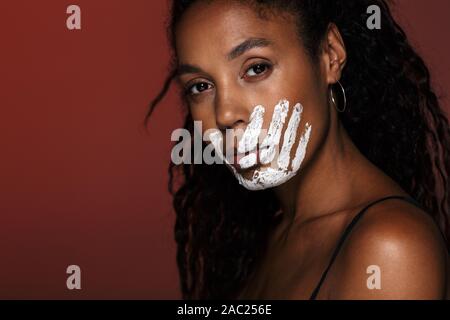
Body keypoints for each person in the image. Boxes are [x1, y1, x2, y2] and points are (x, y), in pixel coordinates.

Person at [145, 0, 450, 299]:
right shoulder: (267, 235)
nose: (224, 114)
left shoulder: (390, 249)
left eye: (256, 68)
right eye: (200, 86)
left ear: (330, 55)